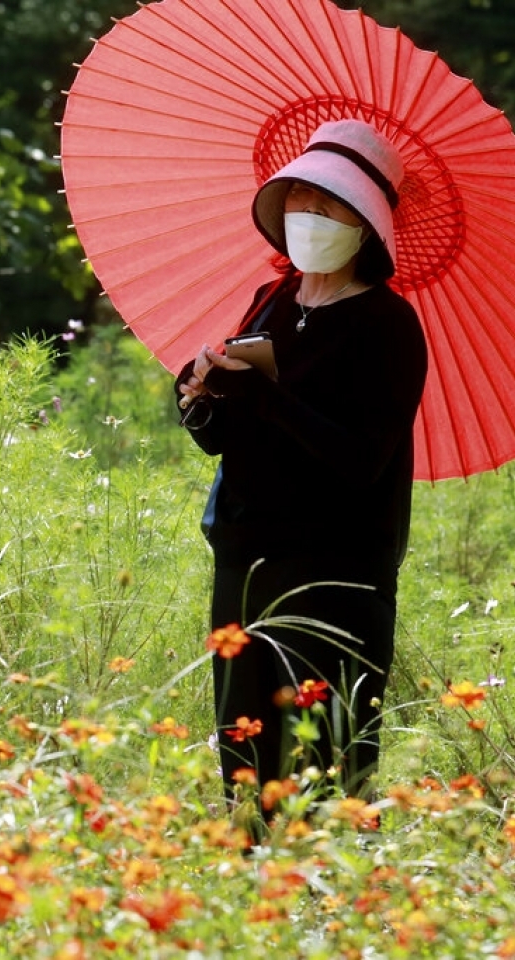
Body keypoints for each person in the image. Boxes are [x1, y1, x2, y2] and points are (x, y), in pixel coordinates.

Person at [175, 120, 427, 809]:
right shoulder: (273, 300)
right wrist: (200, 396)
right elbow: (228, 438)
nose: (308, 218)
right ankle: (254, 900)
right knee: (246, 760)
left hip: (336, 574)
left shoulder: (388, 325)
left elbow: (360, 459)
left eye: (329, 207)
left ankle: (328, 905)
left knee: (324, 765)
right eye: (299, 201)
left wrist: (269, 398)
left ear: (368, 227)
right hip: (245, 560)